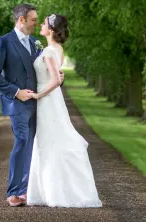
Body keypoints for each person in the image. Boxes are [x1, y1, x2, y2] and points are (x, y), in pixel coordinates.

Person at [0, 3, 63, 207]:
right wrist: (15, 92)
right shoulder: (3, 42)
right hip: (17, 103)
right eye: (32, 20)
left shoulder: (36, 42)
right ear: (21, 20)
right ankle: (14, 191)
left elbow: (42, 70)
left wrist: (57, 76)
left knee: (32, 144)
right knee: (22, 141)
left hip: (39, 102)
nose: (36, 24)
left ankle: (28, 189)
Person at [26, 14, 102, 208]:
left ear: (50, 30)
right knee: (49, 141)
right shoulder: (55, 49)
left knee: (50, 141)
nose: (40, 25)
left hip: (48, 100)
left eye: (43, 23)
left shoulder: (50, 51)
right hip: (52, 101)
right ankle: (46, 190)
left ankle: (56, 192)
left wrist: (38, 95)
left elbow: (55, 81)